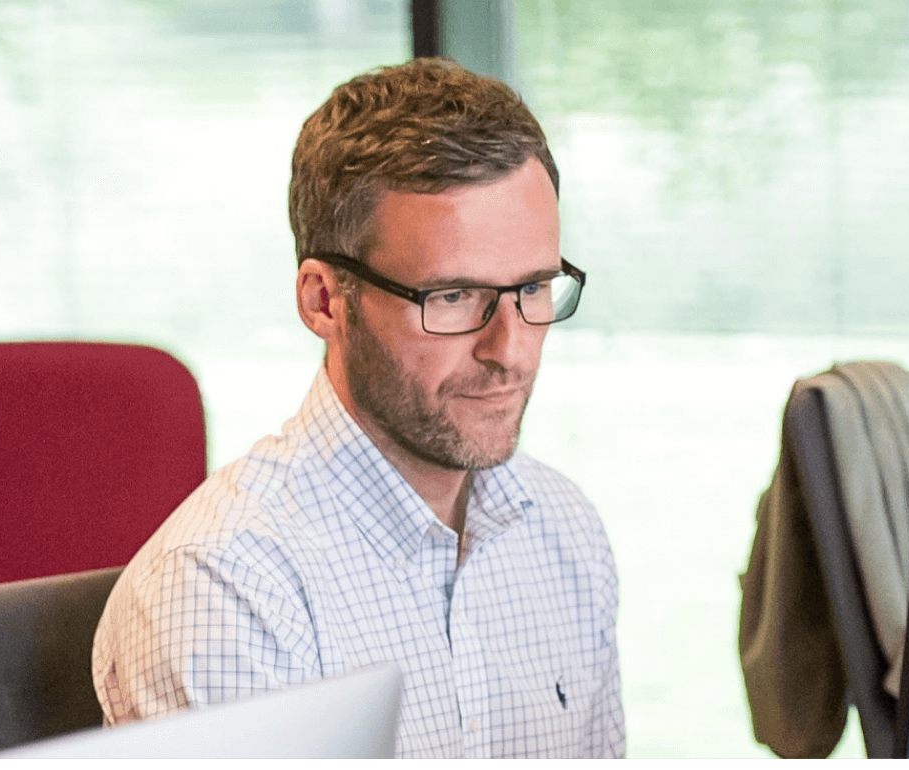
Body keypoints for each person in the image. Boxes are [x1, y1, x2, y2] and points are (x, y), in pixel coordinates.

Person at [91, 58, 622, 758]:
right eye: (454, 297)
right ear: (325, 300)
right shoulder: (224, 588)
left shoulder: (563, 529)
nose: (511, 348)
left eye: (534, 287)